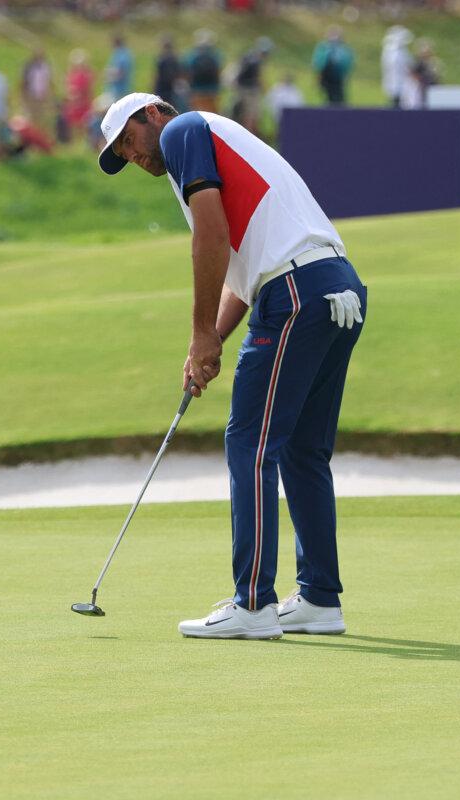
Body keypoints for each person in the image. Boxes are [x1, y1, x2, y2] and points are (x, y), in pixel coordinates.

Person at [96, 93, 366, 639]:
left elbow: (211, 239)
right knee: (301, 449)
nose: (133, 156)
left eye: (129, 139)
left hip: (292, 293)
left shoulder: (183, 131)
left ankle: (252, 604)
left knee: (250, 443)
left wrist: (198, 334)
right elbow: (243, 271)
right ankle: (318, 598)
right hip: (337, 289)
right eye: (121, 154)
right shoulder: (212, 144)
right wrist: (211, 341)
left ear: (154, 114)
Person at [232, 37, 271, 137]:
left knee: (243, 112)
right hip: (251, 91)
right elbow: (258, 78)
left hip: (241, 89)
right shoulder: (257, 61)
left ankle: (245, 134)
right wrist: (264, 89)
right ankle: (249, 136)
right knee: (251, 114)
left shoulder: (248, 56)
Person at [312, 26, 354, 106]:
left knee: (339, 97)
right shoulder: (323, 47)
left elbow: (347, 64)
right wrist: (318, 76)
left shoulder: (344, 49)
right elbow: (318, 62)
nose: (335, 38)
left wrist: (346, 76)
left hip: (339, 77)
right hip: (326, 77)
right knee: (329, 97)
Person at [186, 29, 222, 113]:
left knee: (197, 113)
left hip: (196, 90)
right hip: (212, 89)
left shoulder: (192, 56)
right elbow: (218, 71)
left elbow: (187, 72)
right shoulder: (215, 55)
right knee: (213, 114)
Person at [21, 48, 54, 134]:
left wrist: (50, 94)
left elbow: (49, 81)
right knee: (32, 115)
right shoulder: (29, 67)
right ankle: (32, 133)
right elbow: (24, 81)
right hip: (31, 94)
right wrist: (24, 95)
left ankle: (40, 132)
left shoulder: (45, 66)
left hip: (43, 94)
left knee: (42, 115)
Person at [380, 26, 413, 109]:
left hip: (401, 82)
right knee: (395, 102)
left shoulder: (401, 51)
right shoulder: (391, 52)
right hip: (396, 82)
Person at [152, 37, 182, 111]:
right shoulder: (175, 58)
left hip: (161, 87)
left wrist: (153, 86)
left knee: (160, 107)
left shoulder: (161, 58)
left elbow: (157, 74)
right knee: (172, 108)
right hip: (172, 87)